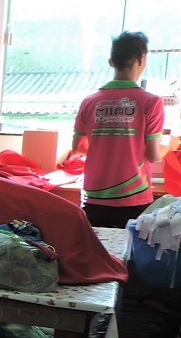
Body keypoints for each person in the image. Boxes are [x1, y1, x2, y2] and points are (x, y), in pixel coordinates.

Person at [72, 31, 169, 229]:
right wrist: (170, 144)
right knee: (129, 247)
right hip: (133, 196)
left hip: (94, 196)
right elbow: (153, 155)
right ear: (142, 59)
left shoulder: (89, 102)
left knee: (97, 246)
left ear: (111, 62)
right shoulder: (151, 102)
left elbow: (78, 148)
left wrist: (105, 145)